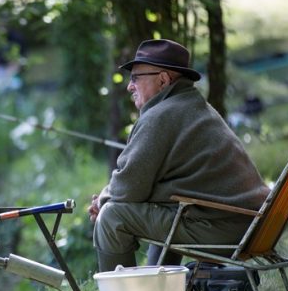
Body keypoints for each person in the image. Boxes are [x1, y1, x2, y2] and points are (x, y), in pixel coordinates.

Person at [88, 39, 270, 272]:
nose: (129, 87)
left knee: (111, 218)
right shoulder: (193, 105)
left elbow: (128, 187)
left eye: (135, 78)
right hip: (251, 226)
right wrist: (109, 196)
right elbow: (137, 182)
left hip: (225, 230)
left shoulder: (160, 116)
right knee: (160, 209)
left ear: (163, 80)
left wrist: (101, 202)